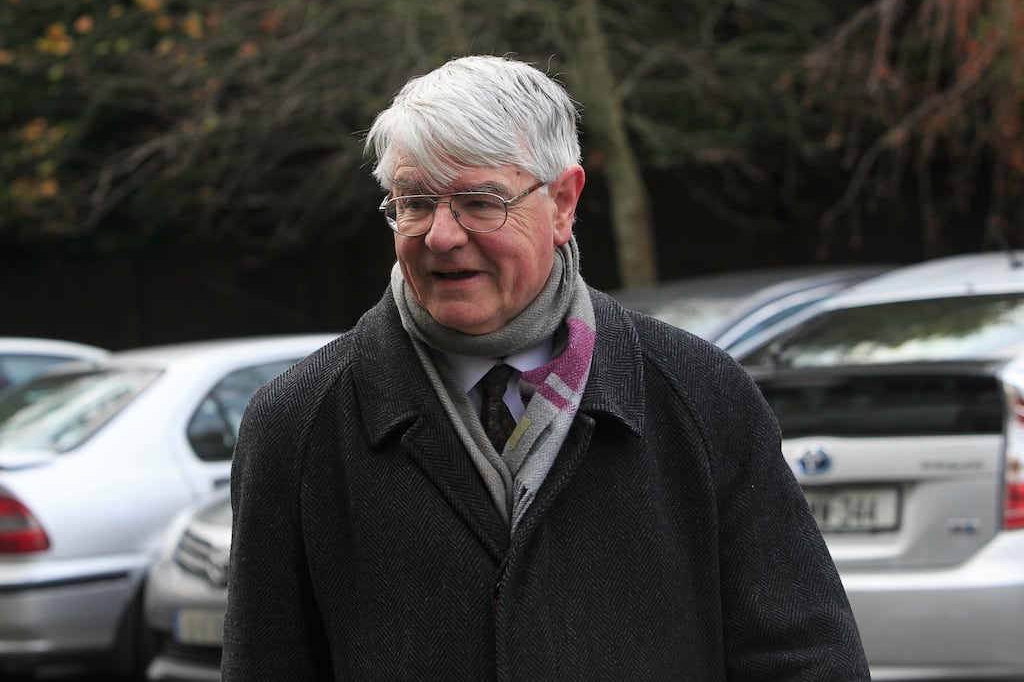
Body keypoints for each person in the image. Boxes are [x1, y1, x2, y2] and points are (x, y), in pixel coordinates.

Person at [222, 54, 870, 681]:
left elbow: (802, 659)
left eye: (479, 201)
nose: (441, 235)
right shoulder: (296, 427)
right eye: (414, 203)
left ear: (562, 202)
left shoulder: (701, 396)